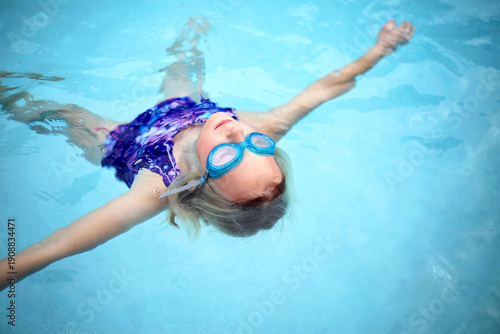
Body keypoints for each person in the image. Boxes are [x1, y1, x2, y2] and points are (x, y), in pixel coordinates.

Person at [0, 18, 415, 290]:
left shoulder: (155, 189)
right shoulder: (258, 126)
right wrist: (379, 51)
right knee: (184, 67)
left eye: (229, 156)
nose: (238, 130)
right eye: (258, 145)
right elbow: (324, 88)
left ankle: (10, 97)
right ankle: (193, 32)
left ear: (199, 180)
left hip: (128, 143)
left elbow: (59, 245)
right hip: (184, 109)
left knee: (67, 113)